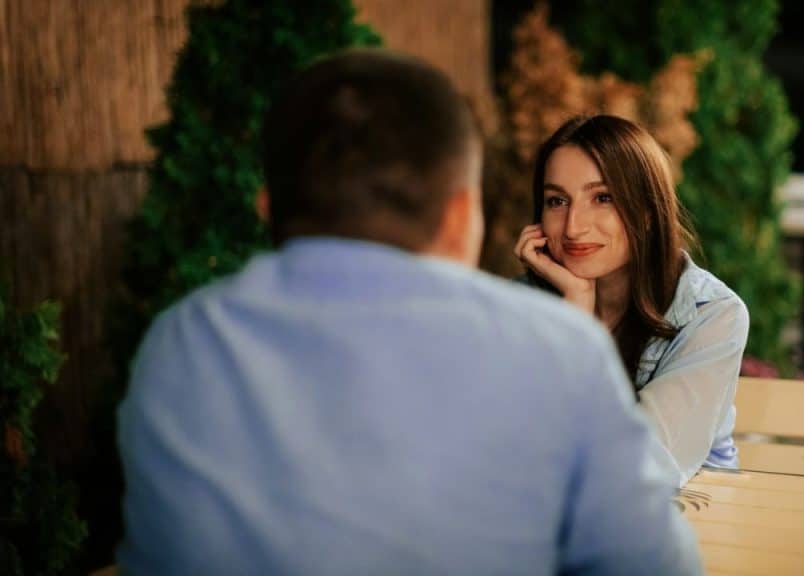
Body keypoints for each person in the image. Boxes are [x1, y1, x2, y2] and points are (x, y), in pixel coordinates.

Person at [117, 50, 702, 575]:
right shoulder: (556, 349)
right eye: (557, 201)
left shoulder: (181, 344)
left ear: (267, 209)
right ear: (460, 215)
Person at [514, 115, 749, 485]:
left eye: (602, 198)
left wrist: (577, 328)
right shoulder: (520, 305)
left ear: (648, 209)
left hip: (694, 520)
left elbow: (640, 465)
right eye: (557, 201)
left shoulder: (712, 315)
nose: (574, 226)